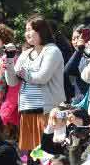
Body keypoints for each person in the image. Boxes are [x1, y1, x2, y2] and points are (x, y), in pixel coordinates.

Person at [7, 16, 66, 156]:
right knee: (33, 155)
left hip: (48, 110)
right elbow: (12, 81)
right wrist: (9, 63)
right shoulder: (26, 53)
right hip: (28, 109)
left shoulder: (52, 50)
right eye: (26, 30)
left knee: (48, 153)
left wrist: (21, 72)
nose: (27, 33)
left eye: (31, 29)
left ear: (42, 31)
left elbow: (42, 77)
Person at [64, 25, 90, 103]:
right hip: (80, 100)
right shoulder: (77, 55)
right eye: (73, 39)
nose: (75, 42)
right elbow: (68, 70)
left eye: (78, 38)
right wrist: (79, 50)